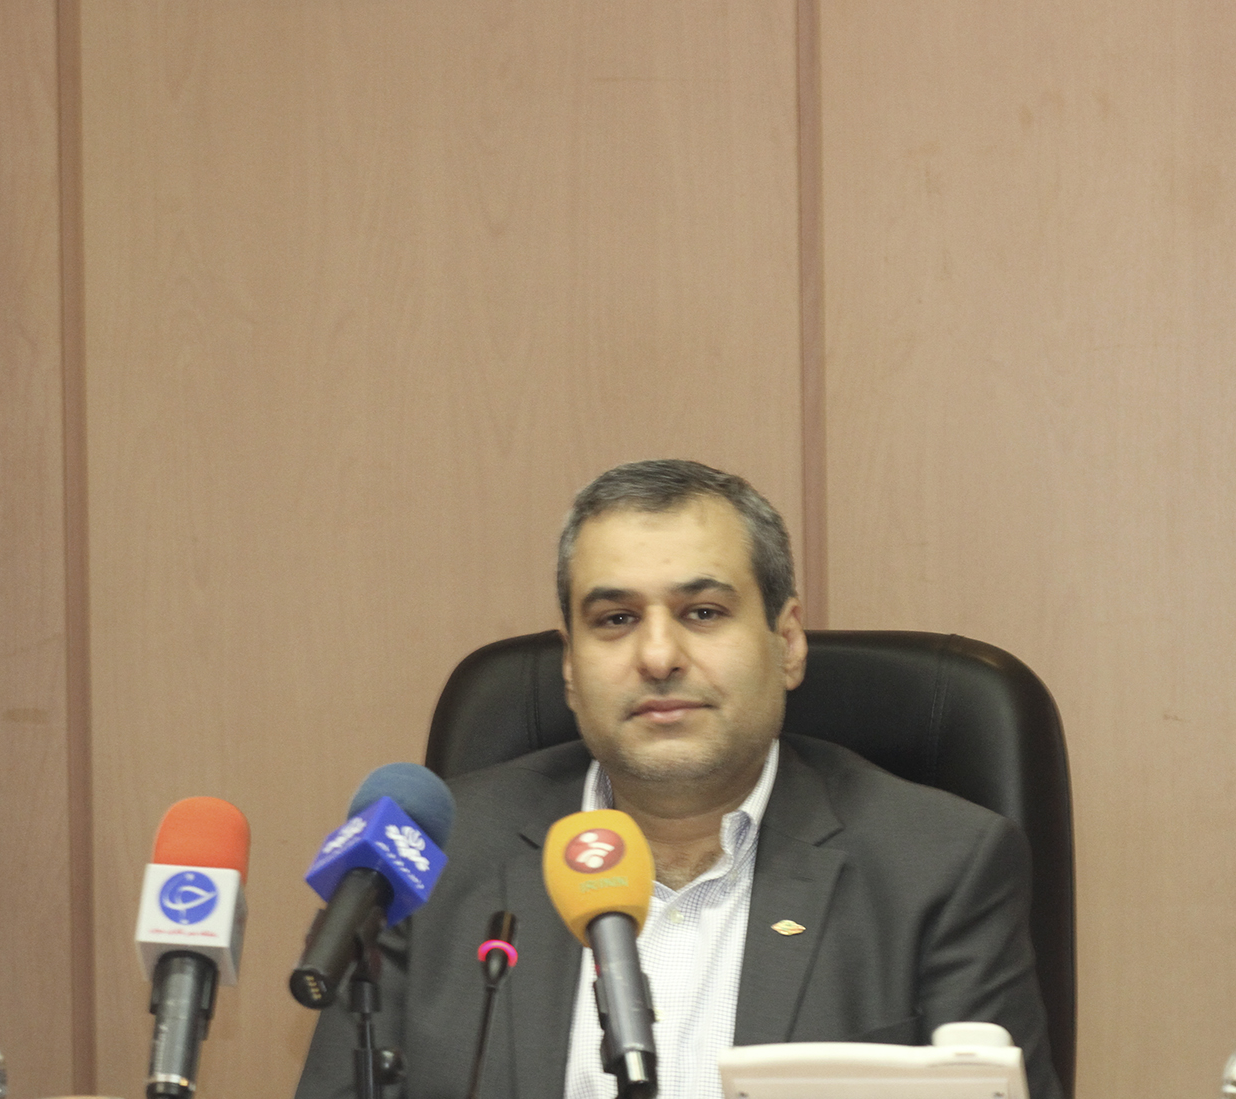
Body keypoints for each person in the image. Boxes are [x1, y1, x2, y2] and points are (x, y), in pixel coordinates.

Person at [295, 459, 1061, 1099]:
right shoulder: (433, 856)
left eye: (702, 611)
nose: (658, 656)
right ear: (570, 665)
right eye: (616, 620)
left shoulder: (940, 866)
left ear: (788, 641)